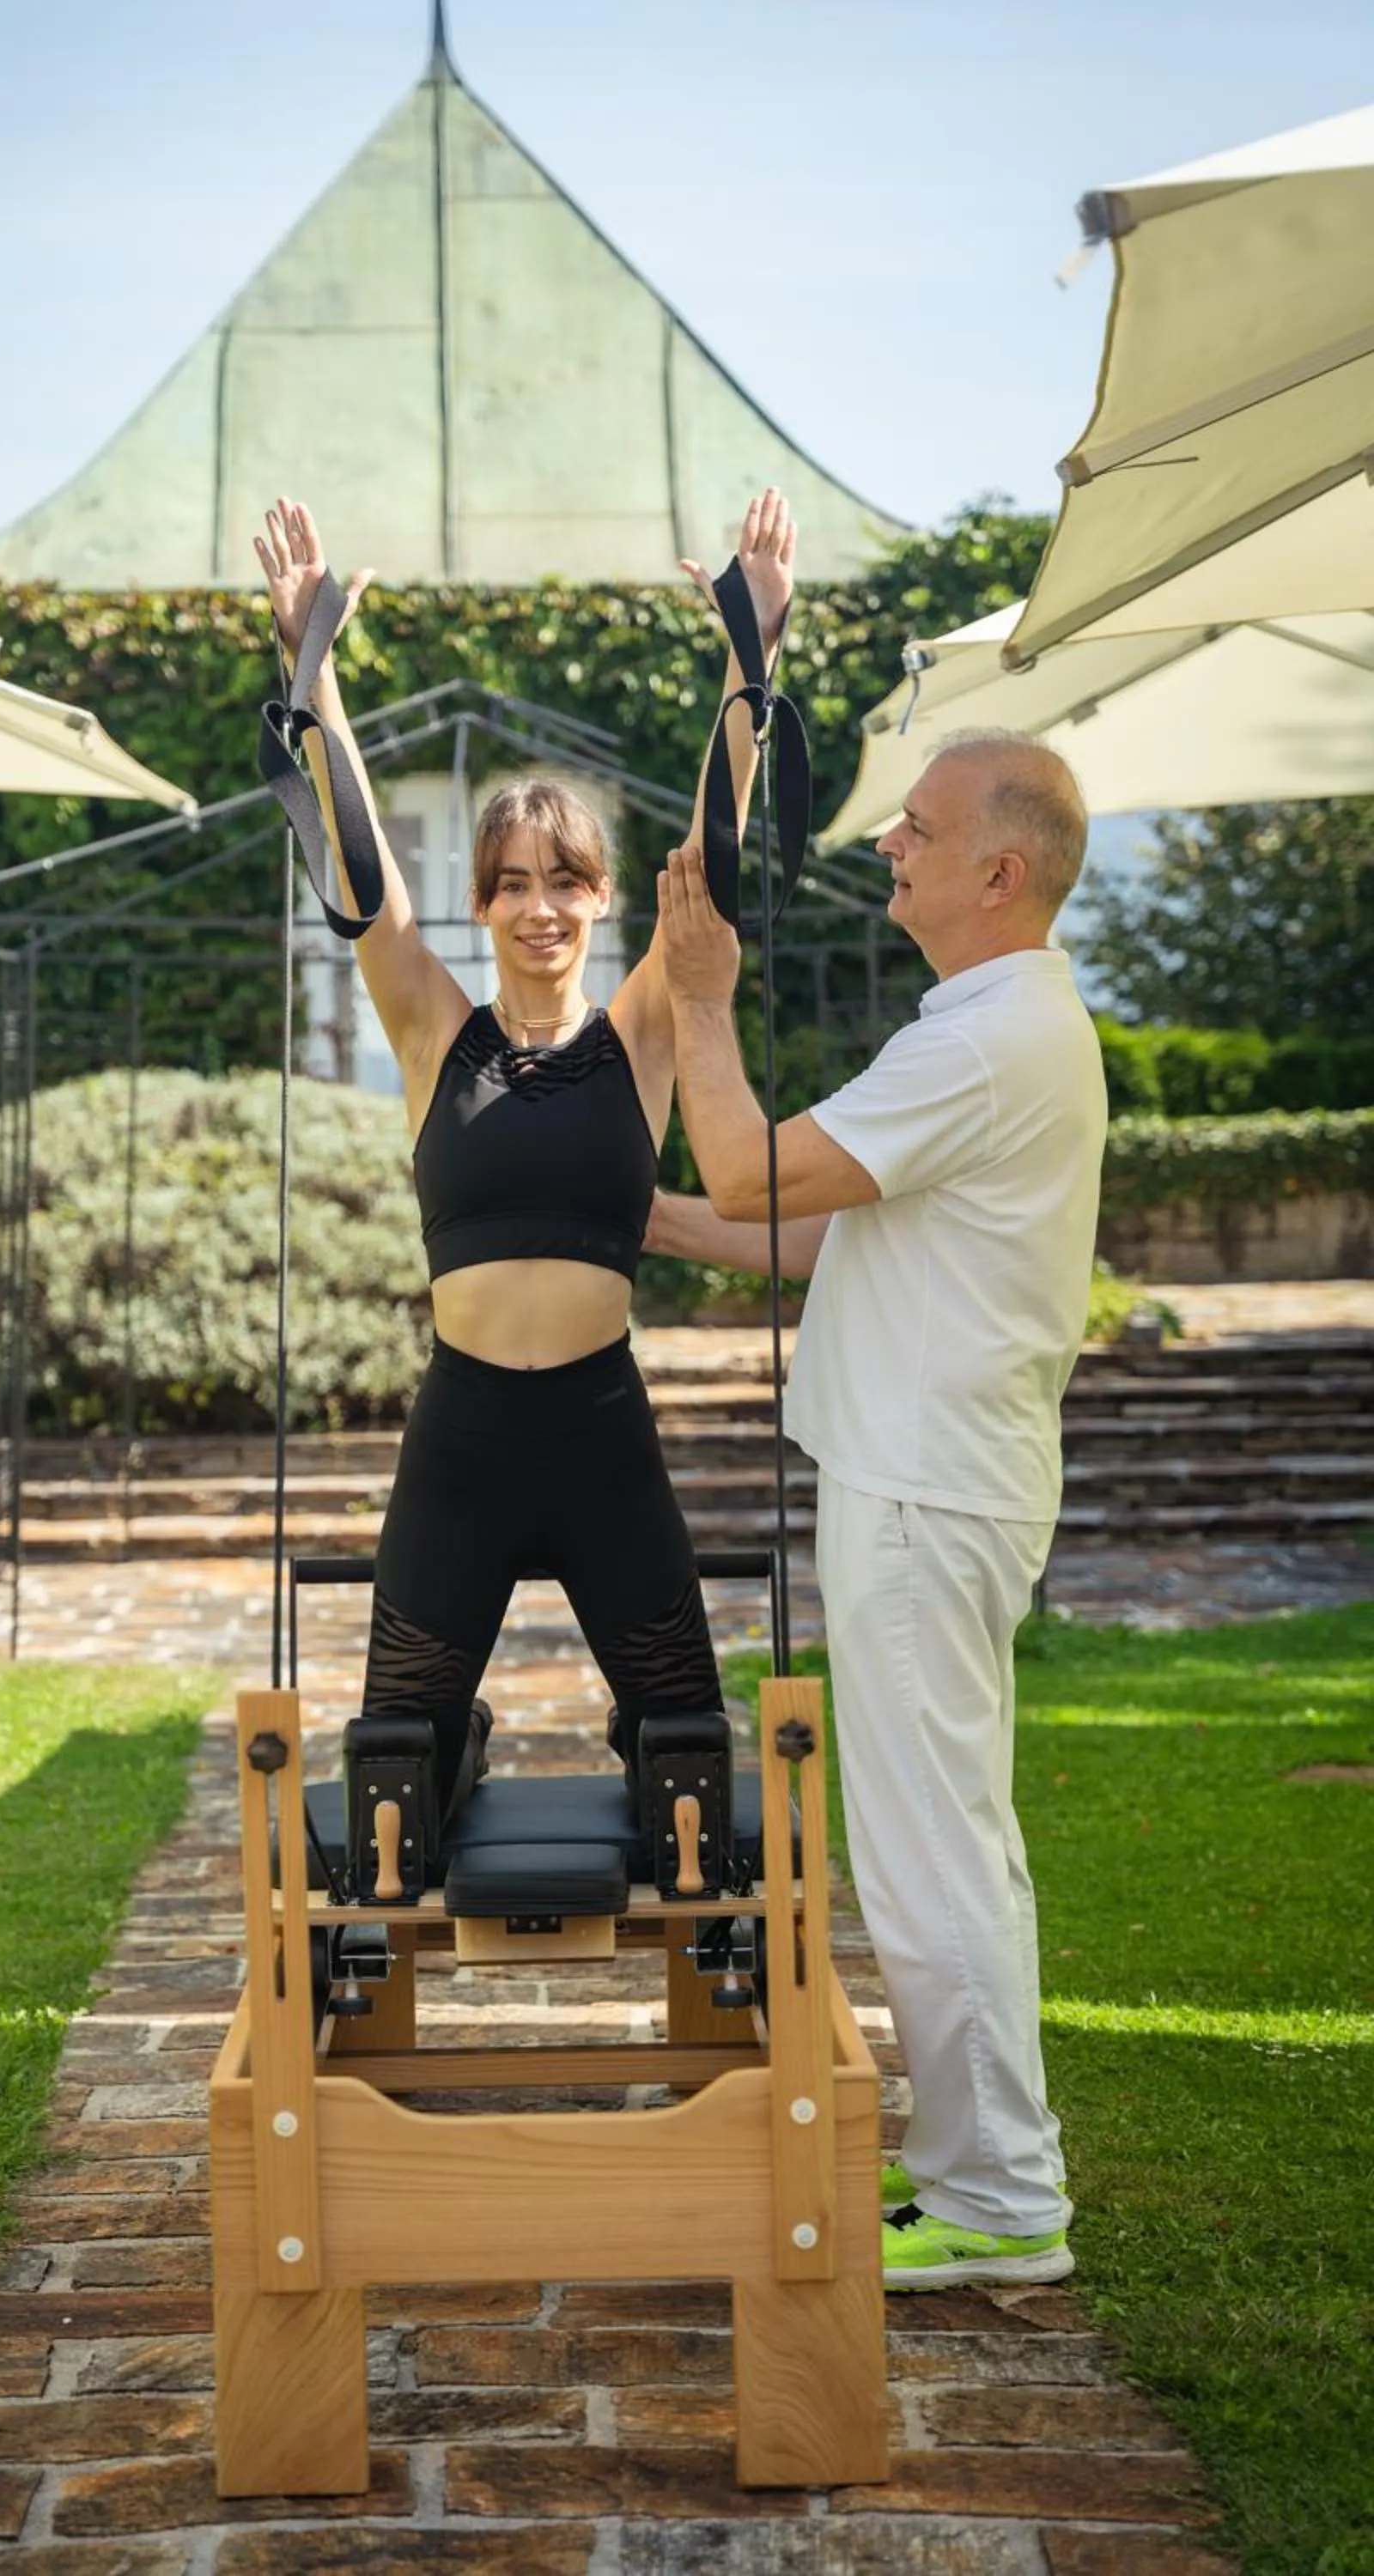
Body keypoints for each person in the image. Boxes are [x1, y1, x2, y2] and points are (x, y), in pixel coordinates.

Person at [651, 728, 1106, 2291]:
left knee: (926, 1858)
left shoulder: (985, 1041)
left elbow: (755, 1165)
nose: (887, 849)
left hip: (923, 1492)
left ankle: (996, 2205)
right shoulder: (991, 1026)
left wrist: (701, 1004)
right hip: (932, 1484)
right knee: (952, 1841)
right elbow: (811, 1236)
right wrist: (630, 1212)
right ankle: (986, 2175)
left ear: (1000, 870)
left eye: (914, 831)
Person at [253, 490, 791, 1814]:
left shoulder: (645, 1030)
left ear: (602, 897)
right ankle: (453, 1764)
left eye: (566, 880)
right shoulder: (438, 1032)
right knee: (394, 1777)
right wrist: (305, 673)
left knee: (687, 1759)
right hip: (467, 1436)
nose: (540, 907)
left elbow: (713, 863)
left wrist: (750, 657)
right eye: (512, 883)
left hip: (605, 1429)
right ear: (484, 901)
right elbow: (364, 879)